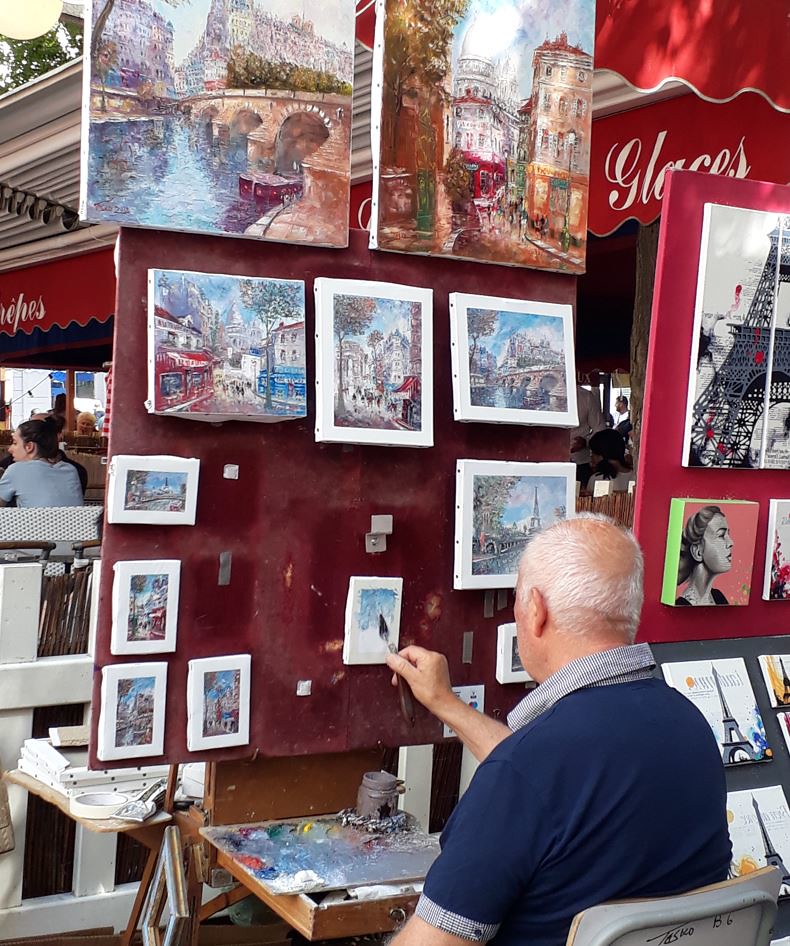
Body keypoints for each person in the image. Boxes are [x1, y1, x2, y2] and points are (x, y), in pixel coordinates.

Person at [386, 516, 730, 946]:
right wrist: (447, 706)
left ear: (535, 609)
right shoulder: (689, 726)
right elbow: (558, 784)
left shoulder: (528, 771)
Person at [0, 417, 84, 508]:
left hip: (32, 522)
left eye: (15, 443)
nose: (10, 449)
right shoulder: (71, 470)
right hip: (72, 522)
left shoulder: (16, 470)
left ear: (29, 446)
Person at [675, 505, 732, 606]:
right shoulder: (682, 604)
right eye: (721, 535)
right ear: (698, 551)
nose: (731, 542)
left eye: (728, 535)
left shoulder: (718, 597)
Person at [570, 385, 606, 485]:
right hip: (546, 460)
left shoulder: (585, 396)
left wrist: (586, 441)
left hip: (580, 462)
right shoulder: (540, 393)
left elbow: (600, 429)